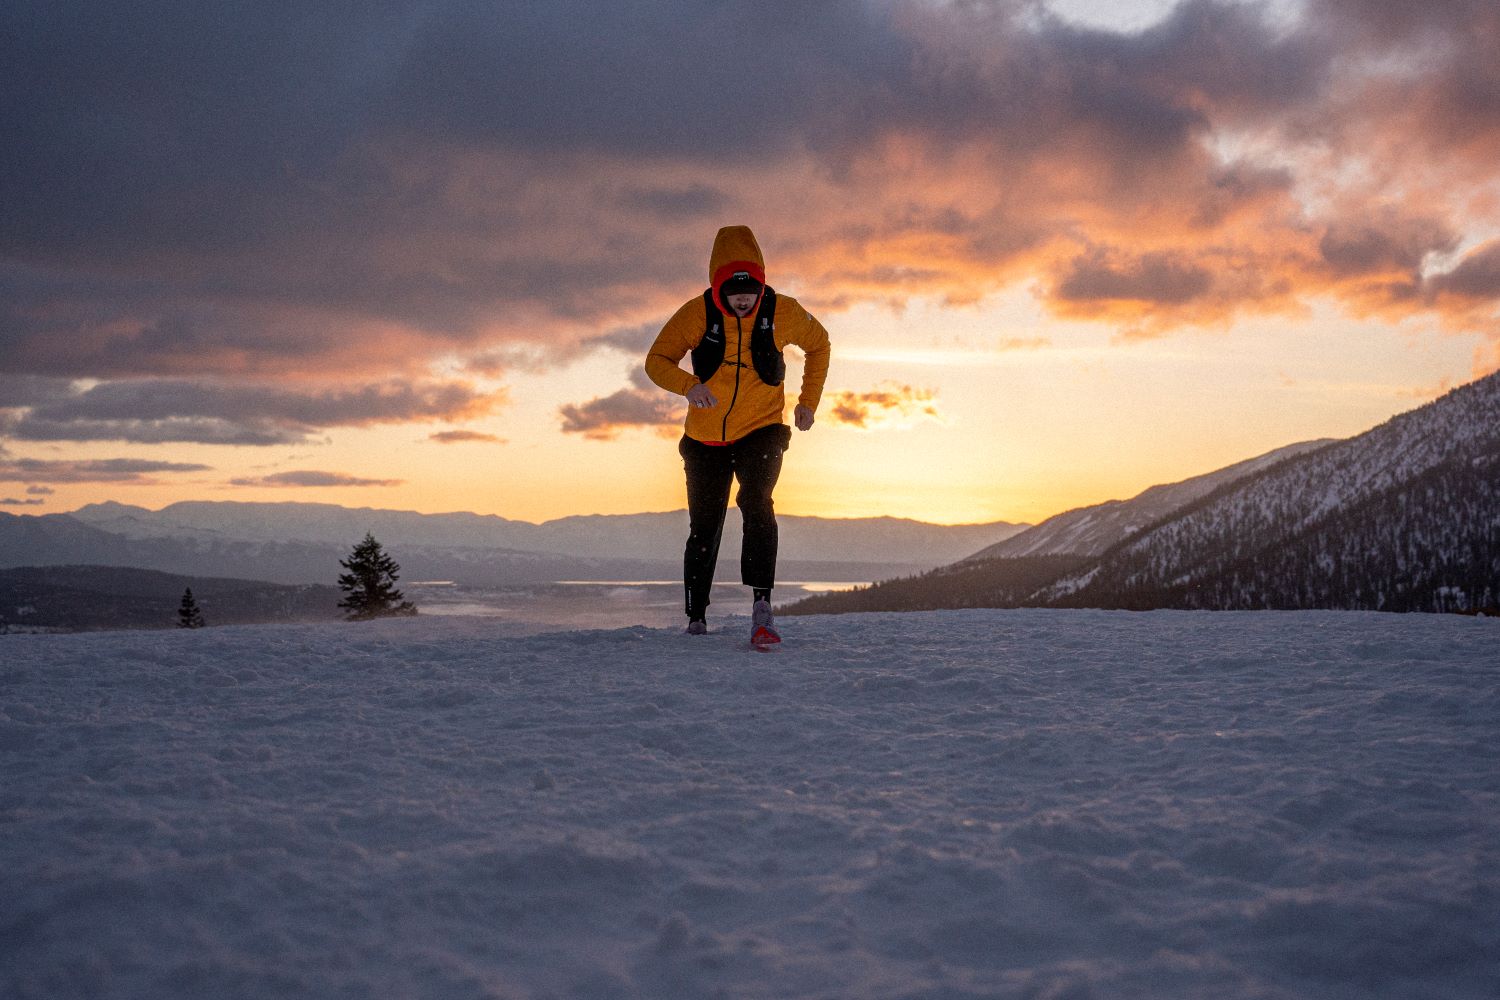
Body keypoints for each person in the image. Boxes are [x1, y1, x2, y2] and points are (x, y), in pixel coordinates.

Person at [645, 225, 831, 643]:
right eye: (732, 291)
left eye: (750, 290)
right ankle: (697, 616)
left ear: (761, 283)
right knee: (705, 526)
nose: (743, 299)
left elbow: (819, 344)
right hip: (704, 439)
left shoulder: (783, 311)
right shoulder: (696, 313)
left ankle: (761, 607)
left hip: (761, 431)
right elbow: (656, 360)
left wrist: (808, 402)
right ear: (718, 288)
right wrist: (689, 386)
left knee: (756, 502)